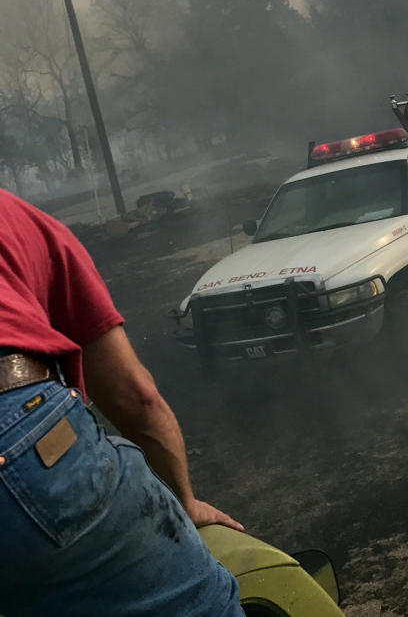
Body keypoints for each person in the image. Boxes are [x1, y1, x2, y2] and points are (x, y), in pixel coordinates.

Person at [0, 188, 244, 617]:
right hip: (20, 435)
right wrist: (184, 502)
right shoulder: (24, 222)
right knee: (201, 604)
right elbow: (136, 396)